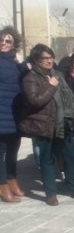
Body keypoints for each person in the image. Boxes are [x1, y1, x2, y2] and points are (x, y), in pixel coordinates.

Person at [19, 44, 74, 206]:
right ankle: (50, 193)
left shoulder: (58, 74)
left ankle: (72, 185)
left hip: (64, 123)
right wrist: (50, 86)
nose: (49, 61)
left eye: (51, 57)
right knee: (47, 160)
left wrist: (71, 115)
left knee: (70, 155)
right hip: (44, 125)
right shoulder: (30, 78)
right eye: (45, 58)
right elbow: (34, 101)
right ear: (36, 60)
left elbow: (69, 97)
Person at [0, 26, 23, 202]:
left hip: (15, 114)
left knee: (13, 150)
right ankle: (2, 186)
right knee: (0, 152)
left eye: (8, 41)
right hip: (1, 113)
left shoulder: (16, 63)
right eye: (1, 40)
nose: (3, 43)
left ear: (14, 44)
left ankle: (12, 179)